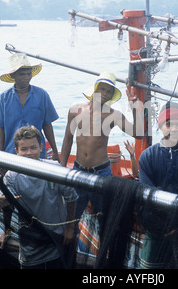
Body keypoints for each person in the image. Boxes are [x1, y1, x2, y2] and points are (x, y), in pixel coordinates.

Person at [60, 72, 143, 236]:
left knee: (105, 220)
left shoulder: (113, 115)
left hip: (102, 173)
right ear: (95, 88)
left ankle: (104, 257)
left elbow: (138, 133)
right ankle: (68, 254)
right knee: (69, 219)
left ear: (112, 95)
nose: (104, 94)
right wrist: (62, 168)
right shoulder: (75, 110)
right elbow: (68, 139)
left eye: (109, 91)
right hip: (78, 171)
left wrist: (134, 106)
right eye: (102, 89)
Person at [0, 125, 78, 269]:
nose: (29, 153)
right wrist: (6, 203)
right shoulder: (11, 176)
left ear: (41, 148)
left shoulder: (55, 169)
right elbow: (8, 203)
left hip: (57, 238)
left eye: (33, 147)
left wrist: (70, 228)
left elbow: (71, 197)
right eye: (23, 149)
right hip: (30, 241)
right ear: (16, 151)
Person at [137, 102, 178, 269]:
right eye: (169, 123)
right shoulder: (147, 157)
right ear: (160, 125)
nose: (174, 128)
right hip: (156, 229)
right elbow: (147, 196)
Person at [0, 53, 59, 161]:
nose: (26, 77)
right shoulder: (2, 99)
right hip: (11, 153)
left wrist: (54, 150)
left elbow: (47, 125)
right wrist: (0, 155)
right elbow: (1, 129)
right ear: (13, 76)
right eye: (22, 74)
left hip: (36, 153)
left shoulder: (42, 95)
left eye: (28, 74)